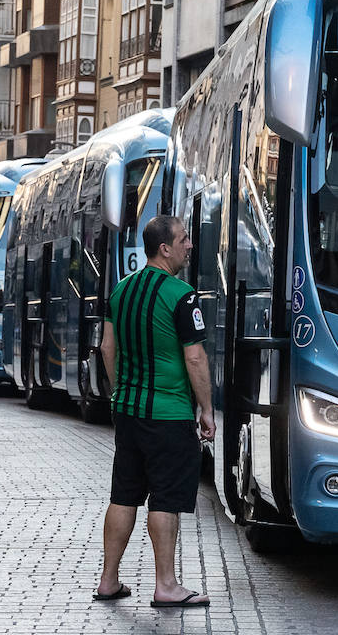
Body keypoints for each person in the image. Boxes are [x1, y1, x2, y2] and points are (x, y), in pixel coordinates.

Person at [94, 215, 214, 609]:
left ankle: (108, 581)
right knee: (165, 499)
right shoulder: (182, 295)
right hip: (168, 415)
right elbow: (194, 358)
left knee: (124, 495)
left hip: (128, 412)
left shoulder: (121, 291)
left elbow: (107, 349)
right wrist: (207, 411)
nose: (190, 245)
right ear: (165, 248)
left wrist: (119, 392)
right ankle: (166, 585)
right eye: (184, 239)